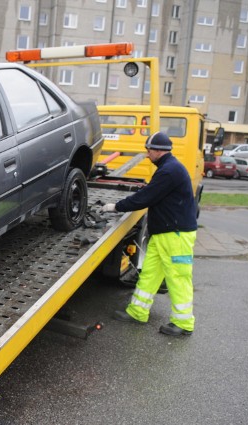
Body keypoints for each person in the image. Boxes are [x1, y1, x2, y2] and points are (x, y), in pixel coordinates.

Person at [101, 131, 197, 336]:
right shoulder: (169, 168)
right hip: (164, 234)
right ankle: (138, 311)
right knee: (150, 274)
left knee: (178, 277)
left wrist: (115, 207)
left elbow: (145, 198)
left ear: (157, 151)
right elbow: (153, 193)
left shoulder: (169, 171)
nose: (146, 155)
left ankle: (183, 323)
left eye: (148, 150)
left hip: (176, 235)